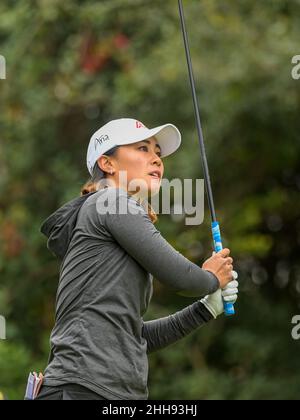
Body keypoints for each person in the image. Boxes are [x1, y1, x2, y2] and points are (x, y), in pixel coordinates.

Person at [35, 118, 238, 400]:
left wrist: (205, 309)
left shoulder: (113, 212)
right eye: (143, 148)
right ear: (108, 164)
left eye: (158, 152)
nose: (156, 158)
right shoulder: (109, 201)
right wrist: (211, 277)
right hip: (82, 389)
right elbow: (182, 278)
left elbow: (132, 337)